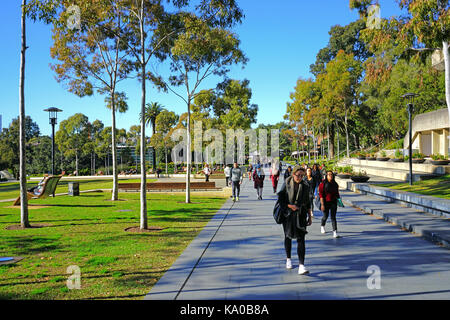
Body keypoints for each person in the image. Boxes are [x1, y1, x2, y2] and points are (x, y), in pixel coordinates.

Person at [277, 166, 313, 275]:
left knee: (301, 239)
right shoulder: (287, 183)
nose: (300, 178)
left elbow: (308, 202)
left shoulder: (305, 186)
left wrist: (310, 216)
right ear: (293, 174)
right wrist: (289, 206)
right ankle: (288, 258)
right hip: (288, 214)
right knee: (288, 236)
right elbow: (280, 199)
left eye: (302, 176)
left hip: (300, 214)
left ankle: (301, 265)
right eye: (298, 175)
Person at [319, 170, 341, 238]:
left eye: (331, 174)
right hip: (325, 202)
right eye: (328, 174)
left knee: (333, 217)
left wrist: (339, 202)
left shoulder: (335, 184)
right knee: (325, 216)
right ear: (326, 176)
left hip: (333, 202)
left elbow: (337, 194)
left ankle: (335, 232)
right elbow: (321, 195)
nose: (330, 176)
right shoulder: (323, 184)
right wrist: (322, 204)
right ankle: (322, 226)